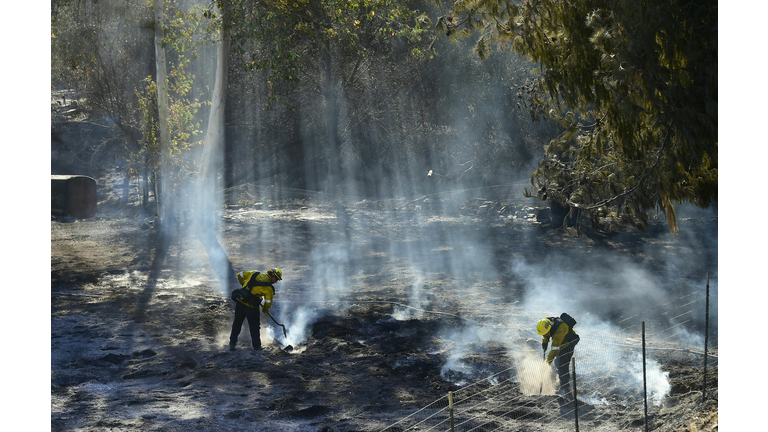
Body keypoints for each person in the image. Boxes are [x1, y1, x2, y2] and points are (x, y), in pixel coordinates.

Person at [229, 268, 283, 351]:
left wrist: (243, 284)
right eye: (276, 279)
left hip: (240, 302)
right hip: (251, 307)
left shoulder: (255, 273)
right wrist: (265, 310)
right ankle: (257, 347)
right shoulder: (269, 288)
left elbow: (240, 275)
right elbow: (268, 303)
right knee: (254, 326)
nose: (276, 281)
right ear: (272, 276)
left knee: (237, 323)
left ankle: (232, 344)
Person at [537, 313, 580, 399]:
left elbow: (555, 350)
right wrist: (544, 342)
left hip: (569, 342)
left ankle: (565, 388)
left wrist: (546, 363)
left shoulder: (559, 330)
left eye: (546, 334)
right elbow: (545, 334)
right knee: (557, 362)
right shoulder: (546, 322)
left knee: (563, 364)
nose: (545, 335)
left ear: (548, 328)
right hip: (560, 342)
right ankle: (561, 380)